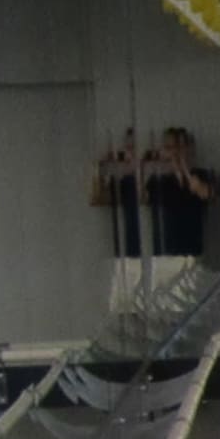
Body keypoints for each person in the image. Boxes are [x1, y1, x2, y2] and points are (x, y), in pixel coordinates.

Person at [141, 127, 219, 308]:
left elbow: (204, 193)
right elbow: (142, 198)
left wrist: (182, 167)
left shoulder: (203, 174)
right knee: (163, 305)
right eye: (169, 147)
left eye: (179, 147)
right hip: (163, 250)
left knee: (189, 303)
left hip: (191, 249)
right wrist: (144, 165)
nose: (174, 152)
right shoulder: (157, 180)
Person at [86, 129, 146, 325]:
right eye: (127, 148)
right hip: (126, 254)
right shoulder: (123, 182)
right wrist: (100, 167)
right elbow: (97, 199)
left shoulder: (152, 178)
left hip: (150, 253)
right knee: (124, 309)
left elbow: (144, 197)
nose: (128, 153)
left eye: (133, 148)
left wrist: (140, 168)